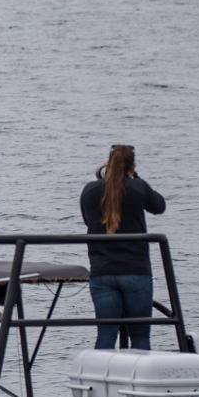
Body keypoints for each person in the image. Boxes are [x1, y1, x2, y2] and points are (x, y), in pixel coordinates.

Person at [80, 144, 167, 350]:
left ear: (107, 164)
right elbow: (159, 206)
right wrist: (135, 178)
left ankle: (100, 379)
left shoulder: (90, 190)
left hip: (102, 272)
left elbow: (87, 220)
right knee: (140, 336)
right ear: (132, 166)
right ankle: (139, 381)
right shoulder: (138, 187)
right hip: (136, 271)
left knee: (106, 334)